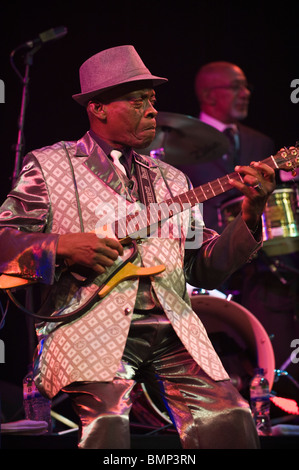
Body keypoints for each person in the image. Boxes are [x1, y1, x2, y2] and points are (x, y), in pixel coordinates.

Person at [0, 46, 276, 449]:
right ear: (98, 108)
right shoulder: (48, 166)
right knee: (107, 424)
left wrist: (252, 212)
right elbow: (5, 242)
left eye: (152, 100)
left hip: (173, 331)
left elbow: (202, 266)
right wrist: (60, 246)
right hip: (89, 325)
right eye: (136, 100)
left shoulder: (174, 181)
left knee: (231, 415)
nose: (151, 110)